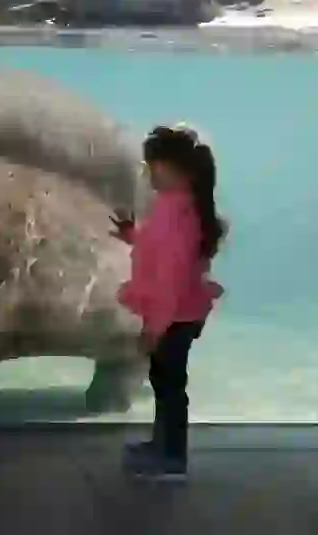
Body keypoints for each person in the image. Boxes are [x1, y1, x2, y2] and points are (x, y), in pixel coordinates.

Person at [110, 123, 226, 482]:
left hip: (173, 315)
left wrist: (155, 329)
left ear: (181, 172)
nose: (149, 175)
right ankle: (161, 446)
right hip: (175, 312)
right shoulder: (174, 206)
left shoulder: (180, 216)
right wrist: (133, 236)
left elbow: (170, 280)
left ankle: (172, 458)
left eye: (155, 167)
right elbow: (158, 249)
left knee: (171, 388)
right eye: (148, 167)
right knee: (164, 384)